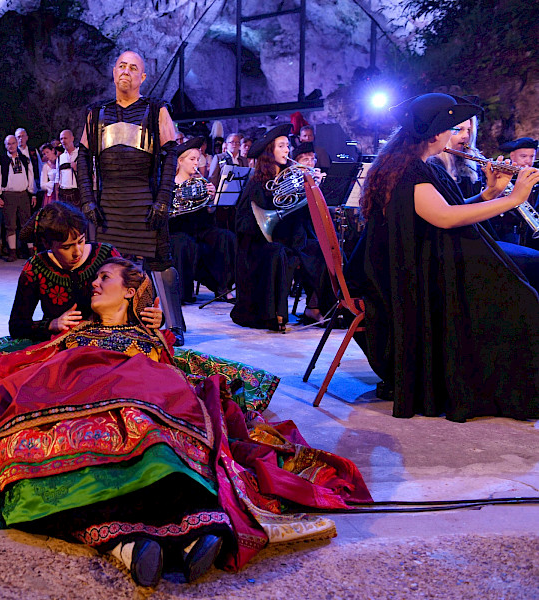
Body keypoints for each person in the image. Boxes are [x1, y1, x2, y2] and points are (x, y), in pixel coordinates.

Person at [0, 258, 371, 587]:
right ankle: (145, 539)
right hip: (72, 399)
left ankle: (162, 533)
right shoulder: (73, 336)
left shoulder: (152, 342)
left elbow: (190, 378)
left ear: (130, 293)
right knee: (43, 451)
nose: (94, 284)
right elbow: (11, 361)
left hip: (139, 398)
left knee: (156, 432)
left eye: (105, 279)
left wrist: (161, 344)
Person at [352, 92, 539, 421]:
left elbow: (443, 210)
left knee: (522, 268)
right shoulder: (410, 171)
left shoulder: (412, 164)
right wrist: (514, 199)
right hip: (410, 276)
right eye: (453, 129)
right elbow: (445, 218)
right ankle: (498, 387)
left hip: (423, 261)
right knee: (521, 293)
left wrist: (491, 193)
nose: (458, 136)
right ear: (436, 133)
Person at [76, 49, 186, 346]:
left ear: (143, 77)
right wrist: (87, 199)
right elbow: (83, 157)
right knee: (105, 262)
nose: (126, 71)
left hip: (146, 201)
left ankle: (174, 324)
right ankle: (106, 319)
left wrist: (163, 199)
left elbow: (170, 155)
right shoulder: (96, 113)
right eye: (121, 66)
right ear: (114, 72)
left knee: (161, 262)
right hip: (108, 204)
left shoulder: (156, 110)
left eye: (133, 67)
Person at [8, 202, 162, 341]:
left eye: (81, 241)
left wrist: (155, 318)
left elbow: (138, 301)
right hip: (64, 346)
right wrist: (51, 324)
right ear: (47, 244)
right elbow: (16, 326)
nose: (78, 252)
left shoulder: (106, 254)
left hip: (110, 339)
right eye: (66, 247)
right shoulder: (36, 268)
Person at [230, 124, 332, 331]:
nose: (287, 150)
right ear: (270, 152)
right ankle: (275, 314)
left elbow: (305, 217)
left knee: (323, 249)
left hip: (293, 238)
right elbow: (243, 223)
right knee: (277, 253)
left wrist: (313, 189)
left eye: (287, 146)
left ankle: (314, 307)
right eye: (281, 146)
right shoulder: (256, 183)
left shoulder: (295, 178)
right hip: (262, 243)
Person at [169, 137, 237, 303]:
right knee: (185, 243)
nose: (196, 163)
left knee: (226, 237)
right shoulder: (170, 185)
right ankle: (184, 292)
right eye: (192, 159)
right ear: (180, 161)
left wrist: (212, 199)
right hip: (178, 229)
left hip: (201, 228)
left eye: (197, 159)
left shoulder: (200, 183)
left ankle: (223, 287)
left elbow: (209, 214)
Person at [0, 134, 37, 262]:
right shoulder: (1, 160)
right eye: (8, 144)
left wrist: (33, 193)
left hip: (23, 194)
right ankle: (12, 252)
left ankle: (30, 250)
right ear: (5, 146)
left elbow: (31, 176)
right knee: (10, 225)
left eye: (13, 143)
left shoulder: (24, 159)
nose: (11, 146)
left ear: (17, 144)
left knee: (26, 223)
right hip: (9, 195)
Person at [499, 137, 539, 247]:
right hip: (507, 232)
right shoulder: (502, 174)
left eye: (532, 156)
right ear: (512, 156)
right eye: (523, 156)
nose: (528, 161)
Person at [56, 129, 80, 207]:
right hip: (63, 194)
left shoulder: (80, 154)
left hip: (77, 193)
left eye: (65, 138)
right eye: (61, 139)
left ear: (72, 138)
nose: (63, 141)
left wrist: (77, 169)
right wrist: (57, 197)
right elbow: (57, 178)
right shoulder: (60, 157)